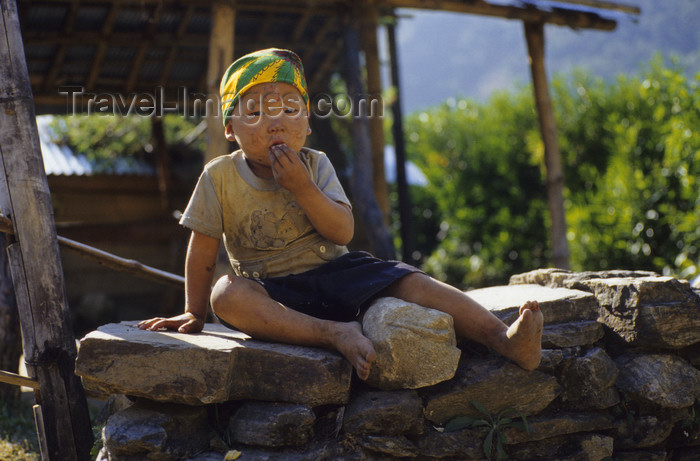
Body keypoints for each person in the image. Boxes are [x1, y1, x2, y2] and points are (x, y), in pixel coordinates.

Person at [138, 48, 543, 380]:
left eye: (289, 109)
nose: (275, 122)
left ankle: (503, 338)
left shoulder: (316, 165)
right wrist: (194, 310)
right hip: (272, 293)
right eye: (256, 112)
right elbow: (202, 250)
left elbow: (342, 232)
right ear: (230, 129)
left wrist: (302, 187)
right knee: (226, 294)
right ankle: (334, 334)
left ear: (308, 122)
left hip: (337, 273)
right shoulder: (219, 176)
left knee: (413, 281)